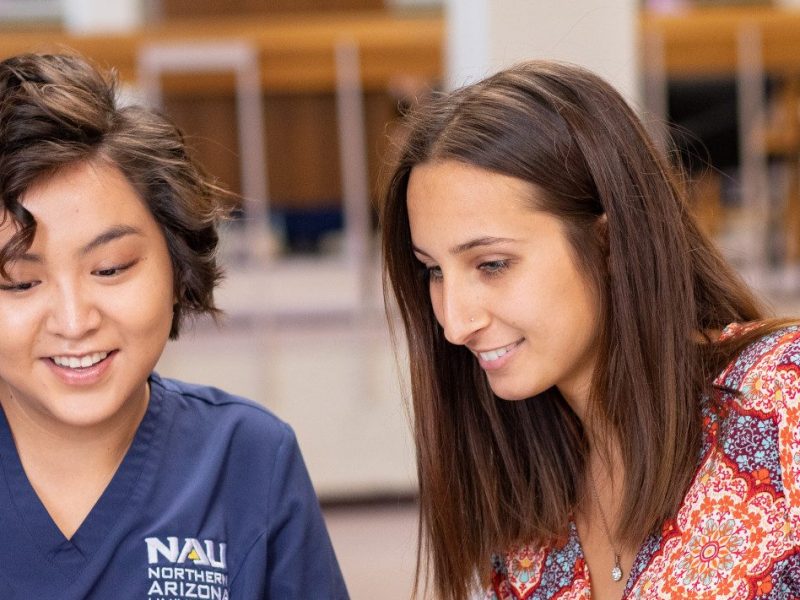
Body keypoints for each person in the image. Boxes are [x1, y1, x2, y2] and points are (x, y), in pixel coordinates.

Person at [380, 60, 800, 600]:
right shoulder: (522, 508)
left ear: (607, 244)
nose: (455, 325)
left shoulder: (780, 399)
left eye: (492, 265)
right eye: (433, 272)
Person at [0, 52, 349, 599]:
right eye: (20, 283)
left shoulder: (250, 460)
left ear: (177, 266)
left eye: (110, 268)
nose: (73, 321)